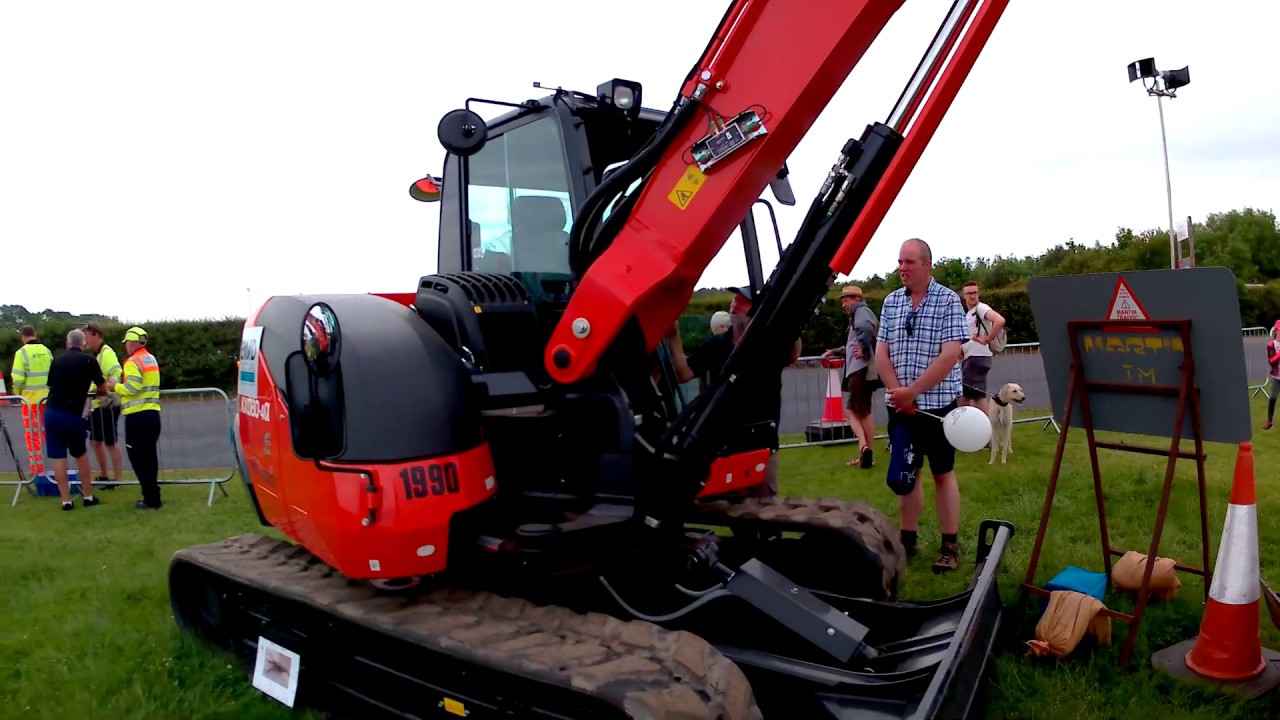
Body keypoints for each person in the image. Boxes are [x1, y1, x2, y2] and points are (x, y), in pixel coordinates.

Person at [875, 238, 968, 573]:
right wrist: (898, 393)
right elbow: (881, 351)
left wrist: (912, 392)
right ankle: (908, 541)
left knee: (942, 472)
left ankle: (949, 546)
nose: (903, 267)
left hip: (937, 407)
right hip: (901, 407)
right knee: (907, 471)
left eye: (910, 262)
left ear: (927, 265)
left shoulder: (948, 300)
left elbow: (950, 354)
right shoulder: (891, 302)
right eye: (900, 261)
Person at [43, 328, 108, 510]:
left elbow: (51, 384)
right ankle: (87, 496)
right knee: (80, 454)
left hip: (52, 411)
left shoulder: (56, 360)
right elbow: (102, 386)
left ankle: (65, 500)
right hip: (72, 413)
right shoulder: (88, 360)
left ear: (67, 342)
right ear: (83, 343)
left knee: (58, 457)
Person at [104, 326, 163, 509]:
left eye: (126, 343)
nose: (125, 347)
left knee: (138, 459)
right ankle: (154, 496)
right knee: (150, 458)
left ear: (131, 343)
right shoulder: (150, 358)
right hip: (153, 413)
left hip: (137, 417)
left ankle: (150, 498)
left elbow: (132, 388)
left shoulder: (132, 362)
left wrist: (114, 387)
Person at [821, 285, 879, 469]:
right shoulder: (860, 314)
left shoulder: (861, 312)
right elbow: (853, 345)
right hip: (863, 369)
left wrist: (863, 349)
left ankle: (864, 447)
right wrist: (834, 351)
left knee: (852, 411)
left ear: (857, 299)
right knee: (863, 412)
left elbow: (865, 331)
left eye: (846, 300)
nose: (843, 304)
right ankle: (867, 454)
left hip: (859, 370)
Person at [82, 323, 124, 488]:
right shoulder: (97, 355)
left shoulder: (106, 353)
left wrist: (105, 389)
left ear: (96, 335)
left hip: (108, 404)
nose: (85, 340)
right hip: (97, 404)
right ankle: (104, 474)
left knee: (110, 441)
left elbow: (116, 373)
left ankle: (118, 479)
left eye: (86, 336)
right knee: (95, 441)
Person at [9, 325, 53, 477]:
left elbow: (18, 379)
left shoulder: (21, 353)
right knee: (49, 434)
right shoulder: (46, 351)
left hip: (30, 401)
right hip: (47, 400)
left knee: (33, 436)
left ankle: (37, 470)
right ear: (35, 335)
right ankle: (55, 468)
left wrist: (17, 393)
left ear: (23, 337)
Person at [958, 280, 1005, 416]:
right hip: (973, 358)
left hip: (977, 357)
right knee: (972, 395)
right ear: (964, 296)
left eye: (975, 293)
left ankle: (977, 424)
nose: (972, 296)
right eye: (969, 293)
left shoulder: (981, 308)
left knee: (971, 397)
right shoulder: (970, 313)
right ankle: (976, 424)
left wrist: (987, 339)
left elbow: (999, 320)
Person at [1266, 319, 1280, 431]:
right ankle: (1269, 421)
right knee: (1272, 398)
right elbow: (1271, 361)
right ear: (1276, 331)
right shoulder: (1272, 345)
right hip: (1277, 376)